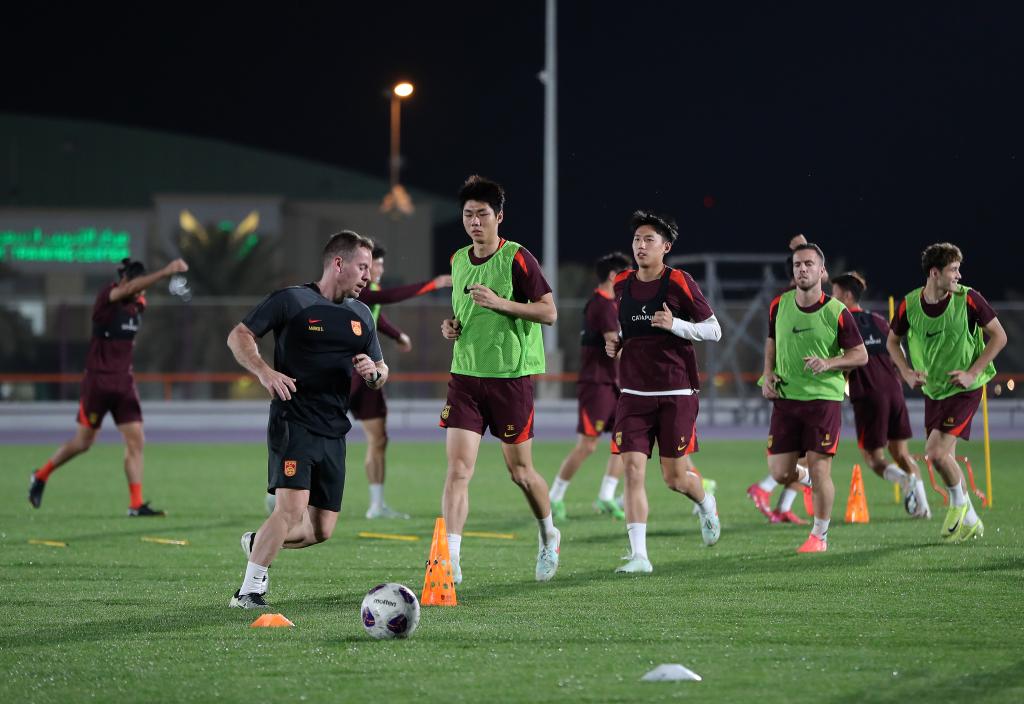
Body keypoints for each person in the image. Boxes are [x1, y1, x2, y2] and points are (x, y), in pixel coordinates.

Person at [227, 230, 388, 609]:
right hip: (293, 421)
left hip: (334, 430)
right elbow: (239, 335)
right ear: (338, 263)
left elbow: (382, 370)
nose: (368, 276)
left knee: (320, 530)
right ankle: (248, 591)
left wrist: (373, 374)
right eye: (363, 267)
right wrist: (265, 372)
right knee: (290, 509)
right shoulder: (292, 300)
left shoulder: (361, 315)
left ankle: (258, 543)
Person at [439, 175, 559, 584]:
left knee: (521, 473)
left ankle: (549, 536)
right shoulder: (457, 259)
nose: (475, 222)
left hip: (510, 379)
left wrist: (501, 303)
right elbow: (462, 314)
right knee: (458, 470)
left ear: (499, 217)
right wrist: (451, 327)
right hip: (465, 377)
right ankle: (451, 559)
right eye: (468, 215)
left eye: (482, 214)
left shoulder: (518, 258)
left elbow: (549, 312)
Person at [605, 210, 723, 574]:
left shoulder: (679, 282)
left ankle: (706, 503)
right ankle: (639, 556)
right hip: (633, 394)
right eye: (637, 239)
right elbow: (631, 327)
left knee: (675, 478)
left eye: (649, 240)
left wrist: (677, 325)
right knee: (633, 471)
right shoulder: (622, 283)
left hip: (676, 391)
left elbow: (714, 330)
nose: (640, 246)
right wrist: (618, 341)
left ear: (665, 247)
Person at [28, 257, 189, 516]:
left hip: (124, 384)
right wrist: (166, 271)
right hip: (98, 382)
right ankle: (40, 475)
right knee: (83, 442)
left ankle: (135, 504)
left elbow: (137, 292)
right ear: (125, 280)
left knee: (136, 441)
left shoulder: (138, 305)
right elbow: (128, 289)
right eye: (135, 284)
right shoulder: (108, 297)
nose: (139, 290)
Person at [887, 242, 1007, 543]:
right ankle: (972, 521)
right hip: (934, 391)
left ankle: (958, 505)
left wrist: (973, 373)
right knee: (945, 460)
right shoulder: (909, 304)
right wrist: (906, 373)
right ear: (934, 273)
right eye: (953, 269)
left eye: (958, 269)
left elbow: (999, 336)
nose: (958, 275)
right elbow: (892, 342)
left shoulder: (969, 298)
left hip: (965, 389)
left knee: (935, 453)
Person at [762, 243, 867, 553]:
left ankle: (819, 536)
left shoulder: (837, 311)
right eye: (797, 264)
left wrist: (829, 363)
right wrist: (767, 374)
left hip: (823, 400)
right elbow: (771, 342)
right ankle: (811, 481)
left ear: (822, 272)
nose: (802, 269)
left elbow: (860, 355)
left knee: (821, 470)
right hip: (786, 398)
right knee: (779, 472)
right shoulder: (779, 305)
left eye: (809, 264)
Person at [351, 244, 453, 519]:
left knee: (379, 439)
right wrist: (432, 284)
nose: (379, 269)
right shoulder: (355, 289)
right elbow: (388, 297)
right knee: (322, 436)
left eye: (379, 264)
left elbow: (375, 315)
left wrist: (397, 335)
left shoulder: (370, 292)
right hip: (341, 374)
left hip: (367, 373)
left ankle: (376, 505)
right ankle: (283, 491)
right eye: (374, 264)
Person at [830, 271, 930, 518]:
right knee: (902, 454)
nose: (831, 299)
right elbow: (898, 353)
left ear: (846, 296)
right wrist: (904, 374)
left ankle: (905, 481)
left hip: (869, 395)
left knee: (874, 459)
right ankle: (924, 508)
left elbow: (841, 363)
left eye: (834, 294)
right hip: (894, 392)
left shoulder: (841, 324)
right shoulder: (878, 320)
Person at [549, 251, 632, 522]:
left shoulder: (613, 304)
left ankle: (606, 496)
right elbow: (614, 347)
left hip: (614, 384)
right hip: (596, 385)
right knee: (587, 445)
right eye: (626, 274)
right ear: (613, 276)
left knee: (624, 440)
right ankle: (554, 497)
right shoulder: (602, 305)